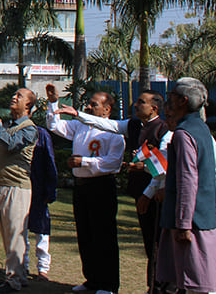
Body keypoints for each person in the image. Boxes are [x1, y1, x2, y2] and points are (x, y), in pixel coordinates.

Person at [58, 90, 170, 292]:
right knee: (146, 241)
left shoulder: (163, 130)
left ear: (154, 108)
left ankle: (157, 286)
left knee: (157, 242)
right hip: (140, 191)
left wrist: (147, 182)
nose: (136, 105)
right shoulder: (134, 125)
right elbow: (106, 124)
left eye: (141, 102)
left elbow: (164, 165)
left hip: (156, 193)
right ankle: (96, 280)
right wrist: (77, 114)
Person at [46, 84, 125, 294]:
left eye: (94, 104)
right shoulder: (81, 126)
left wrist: (85, 162)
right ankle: (92, 279)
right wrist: (53, 102)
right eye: (88, 103)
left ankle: (108, 284)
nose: (88, 107)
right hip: (81, 187)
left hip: (101, 186)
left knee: (104, 236)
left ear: (107, 109)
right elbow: (55, 125)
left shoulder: (114, 131)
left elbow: (114, 162)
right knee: (85, 234)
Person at [155, 78, 216, 294]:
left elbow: (187, 180)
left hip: (192, 223)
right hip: (203, 218)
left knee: (195, 283)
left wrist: (183, 224)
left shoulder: (184, 133)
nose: (170, 100)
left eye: (173, 96)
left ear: (183, 101)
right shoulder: (201, 128)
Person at [0, 87, 37, 293]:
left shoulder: (29, 129)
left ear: (28, 105)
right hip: (2, 185)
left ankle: (14, 280)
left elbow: (12, 144)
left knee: (15, 234)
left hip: (16, 187)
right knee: (7, 234)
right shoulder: (7, 126)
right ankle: (17, 275)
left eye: (19, 96)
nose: (14, 97)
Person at [24, 124, 58, 282]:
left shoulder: (41, 134)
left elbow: (50, 161)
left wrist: (50, 190)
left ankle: (43, 268)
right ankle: (22, 265)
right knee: (20, 229)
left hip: (39, 188)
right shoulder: (13, 131)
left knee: (42, 230)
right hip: (20, 187)